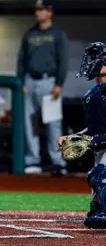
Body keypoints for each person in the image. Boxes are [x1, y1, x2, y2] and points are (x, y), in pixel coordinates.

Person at [17, 0, 69, 175]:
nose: (38, 12)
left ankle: (57, 161)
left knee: (53, 124)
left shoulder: (58, 34)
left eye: (41, 9)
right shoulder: (29, 34)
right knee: (30, 123)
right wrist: (21, 81)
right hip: (30, 81)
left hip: (49, 82)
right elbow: (21, 60)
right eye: (37, 9)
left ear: (49, 12)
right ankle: (33, 160)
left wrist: (59, 83)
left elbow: (63, 61)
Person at [58, 42, 106, 229]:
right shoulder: (92, 95)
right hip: (102, 147)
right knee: (95, 176)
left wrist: (95, 140)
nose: (92, 62)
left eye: (98, 58)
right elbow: (93, 128)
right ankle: (98, 207)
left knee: (102, 175)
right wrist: (74, 137)